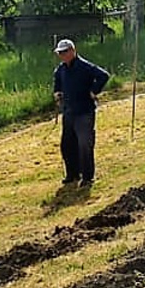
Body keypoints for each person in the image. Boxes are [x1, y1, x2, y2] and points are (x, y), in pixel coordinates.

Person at [52, 38, 112, 188]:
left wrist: (94, 90)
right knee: (67, 144)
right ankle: (72, 174)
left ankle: (87, 176)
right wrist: (57, 93)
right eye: (60, 53)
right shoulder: (61, 69)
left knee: (85, 143)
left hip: (84, 111)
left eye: (65, 52)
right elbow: (57, 82)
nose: (62, 55)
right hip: (69, 112)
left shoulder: (85, 66)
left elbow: (103, 75)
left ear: (73, 51)